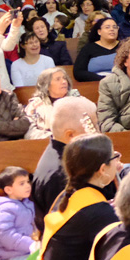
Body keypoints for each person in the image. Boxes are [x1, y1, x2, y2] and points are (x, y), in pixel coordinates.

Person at [39, 132, 123, 260]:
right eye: (114, 157)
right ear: (102, 169)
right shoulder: (97, 212)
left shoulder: (69, 195)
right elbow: (124, 256)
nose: (118, 160)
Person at [31, 96, 100, 227]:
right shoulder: (60, 174)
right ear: (70, 135)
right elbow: (70, 227)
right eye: (93, 126)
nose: (97, 132)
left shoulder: (68, 157)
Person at [0, 167, 40, 260]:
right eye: (21, 183)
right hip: (12, 257)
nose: (28, 186)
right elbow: (6, 235)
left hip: (29, 252)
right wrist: (31, 244)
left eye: (28, 182)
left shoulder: (28, 204)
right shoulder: (4, 209)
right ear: (9, 190)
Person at [23, 66, 78, 140]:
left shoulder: (76, 99)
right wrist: (55, 137)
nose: (64, 82)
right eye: (58, 79)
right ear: (47, 86)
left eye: (64, 78)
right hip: (48, 142)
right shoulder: (35, 105)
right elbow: (30, 133)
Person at [73, 16, 122, 82]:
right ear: (99, 32)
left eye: (115, 27)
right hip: (96, 82)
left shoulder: (124, 46)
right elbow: (78, 72)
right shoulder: (88, 48)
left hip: (121, 82)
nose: (112, 29)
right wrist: (103, 79)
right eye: (107, 27)